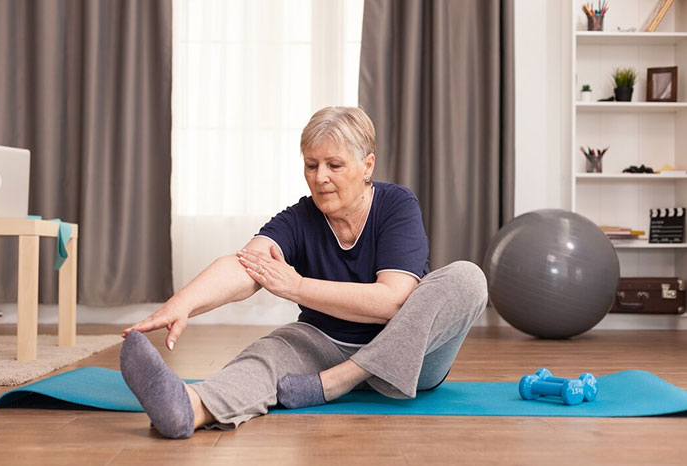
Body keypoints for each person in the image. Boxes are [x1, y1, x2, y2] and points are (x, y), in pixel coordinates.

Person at [120, 106, 488, 439]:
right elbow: (245, 264)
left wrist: (296, 287)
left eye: (334, 165)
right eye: (311, 166)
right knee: (267, 353)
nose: (320, 177)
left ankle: (342, 381)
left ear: (368, 165)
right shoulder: (300, 217)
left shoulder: (396, 204)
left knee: (467, 278)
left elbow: (390, 302)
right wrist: (181, 304)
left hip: (411, 357)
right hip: (323, 345)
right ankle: (189, 406)